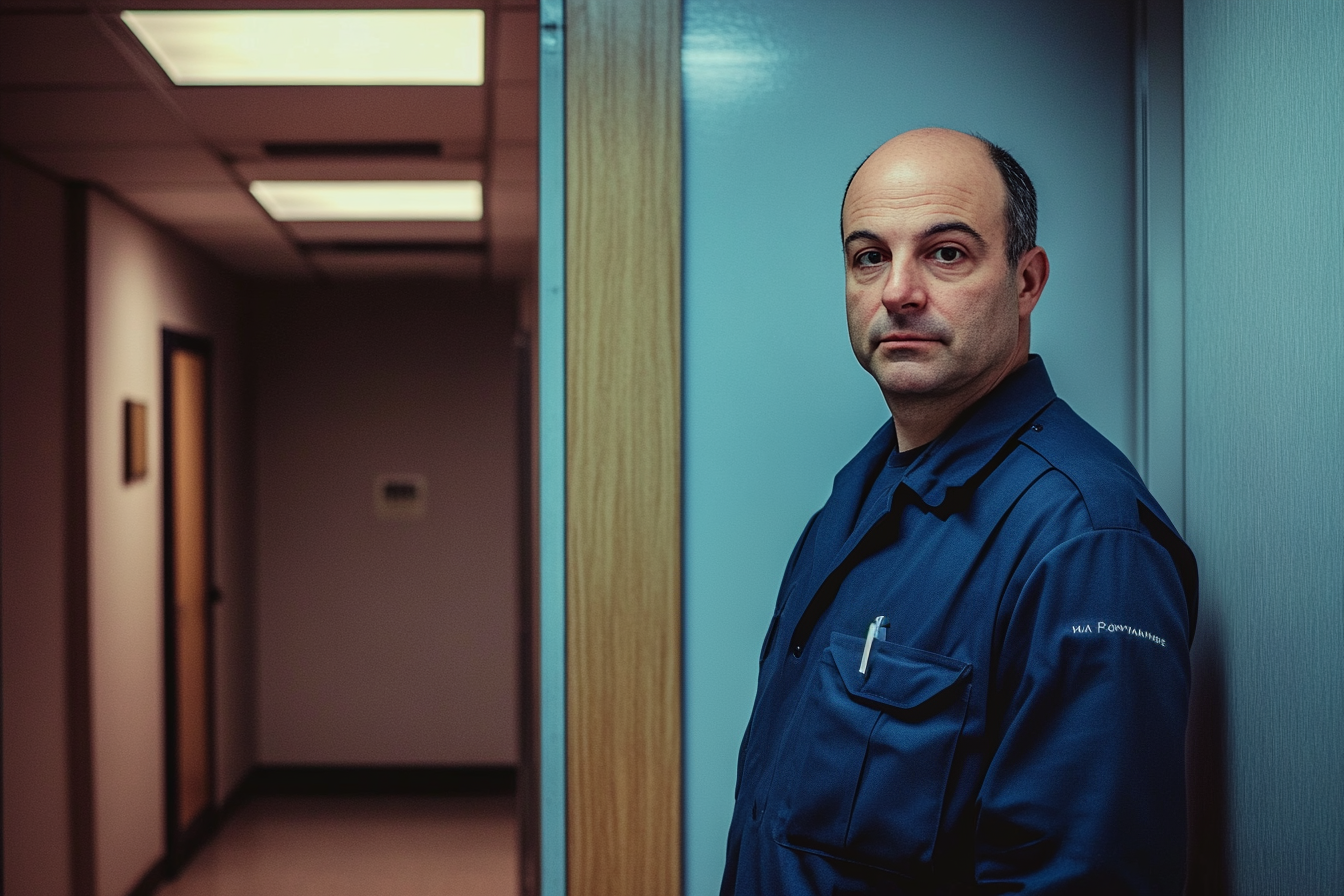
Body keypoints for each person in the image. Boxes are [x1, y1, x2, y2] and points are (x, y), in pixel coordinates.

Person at [720, 128, 1198, 895]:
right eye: (869, 256)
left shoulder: (1083, 542)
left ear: (1027, 281)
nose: (898, 291)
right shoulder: (855, 502)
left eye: (946, 253)